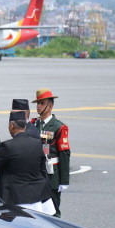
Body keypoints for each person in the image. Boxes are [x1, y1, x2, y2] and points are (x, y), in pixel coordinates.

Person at [0, 111, 55, 215]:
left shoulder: (7, 146)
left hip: (15, 199)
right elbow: (43, 171)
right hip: (37, 198)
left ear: (12, 125)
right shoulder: (37, 144)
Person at [31, 88, 70, 218]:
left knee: (53, 212)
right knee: (37, 210)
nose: (38, 106)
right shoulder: (33, 124)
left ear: (50, 106)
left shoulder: (58, 127)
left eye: (42, 103)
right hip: (36, 174)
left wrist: (64, 181)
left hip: (51, 175)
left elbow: (64, 154)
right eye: (38, 103)